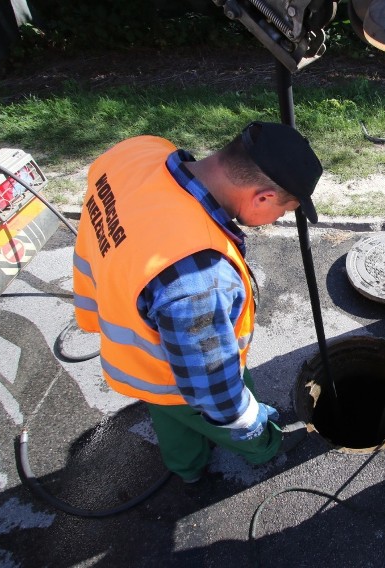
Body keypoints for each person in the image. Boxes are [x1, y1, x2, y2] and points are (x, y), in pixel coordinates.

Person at [73, 121, 322, 483]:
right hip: (178, 376)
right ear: (263, 197)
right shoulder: (198, 277)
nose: (278, 218)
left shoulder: (139, 151)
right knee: (224, 413)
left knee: (169, 416)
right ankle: (265, 448)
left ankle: (188, 470)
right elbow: (215, 392)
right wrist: (249, 420)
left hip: (144, 364)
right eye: (284, 211)